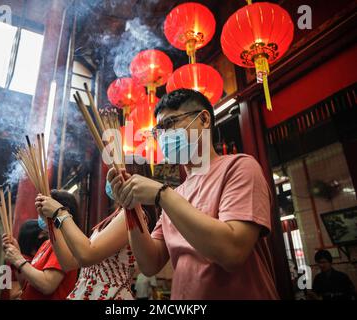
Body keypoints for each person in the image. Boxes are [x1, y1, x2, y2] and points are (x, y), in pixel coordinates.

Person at [108, 88, 279, 299]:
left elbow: (233, 251)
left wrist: (162, 194)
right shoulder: (177, 192)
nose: (163, 136)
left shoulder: (239, 167)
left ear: (204, 119)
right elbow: (149, 263)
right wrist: (130, 204)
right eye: (158, 131)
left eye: (170, 124)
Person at [35, 156, 158, 300]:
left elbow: (87, 254)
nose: (108, 180)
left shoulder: (132, 214)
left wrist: (59, 213)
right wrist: (51, 221)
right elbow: (69, 262)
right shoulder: (116, 215)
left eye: (113, 174)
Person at [2, 190, 78, 300]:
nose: (40, 214)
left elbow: (47, 285)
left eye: (43, 209)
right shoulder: (47, 243)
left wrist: (18, 259)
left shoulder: (64, 243)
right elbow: (26, 283)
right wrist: (17, 254)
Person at [1, 219, 47, 300]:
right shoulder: (15, 261)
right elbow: (13, 294)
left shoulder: (31, 258)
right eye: (46, 234)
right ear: (40, 235)